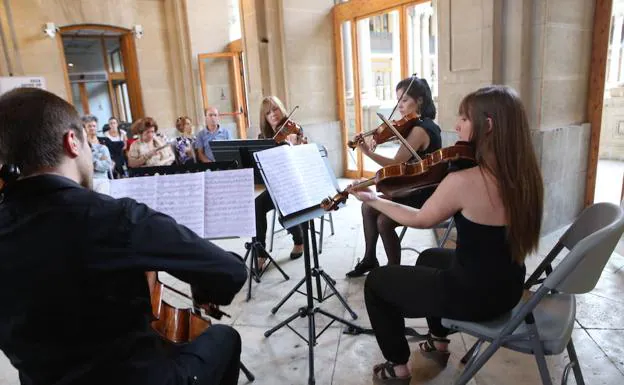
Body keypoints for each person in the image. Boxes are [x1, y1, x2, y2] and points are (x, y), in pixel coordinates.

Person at [0, 87, 248, 385]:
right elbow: (230, 272)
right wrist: (205, 283)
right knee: (224, 337)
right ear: (73, 142)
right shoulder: (115, 217)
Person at [347, 85, 543, 382]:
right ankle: (439, 342)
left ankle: (397, 367)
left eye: (464, 118)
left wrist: (376, 201)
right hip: (508, 287)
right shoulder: (525, 174)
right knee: (429, 256)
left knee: (376, 283)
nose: (456, 126)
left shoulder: (465, 180)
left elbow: (421, 219)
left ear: (487, 125)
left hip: (473, 296)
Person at [346, 77, 442, 277]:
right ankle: (369, 259)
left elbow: (395, 165)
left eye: (405, 100)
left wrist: (366, 151)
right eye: (398, 100)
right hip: (413, 186)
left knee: (384, 221)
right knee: (367, 206)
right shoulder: (416, 125)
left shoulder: (420, 129)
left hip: (423, 192)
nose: (399, 106)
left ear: (420, 101)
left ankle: (393, 272)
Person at [254, 96, 306, 267]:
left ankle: (299, 240)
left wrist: (296, 146)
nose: (273, 114)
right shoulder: (264, 137)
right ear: (265, 117)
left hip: (296, 185)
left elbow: (305, 158)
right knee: (257, 205)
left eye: (275, 109)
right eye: (268, 112)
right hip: (277, 185)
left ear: (281, 109)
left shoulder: (294, 129)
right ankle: (260, 253)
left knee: (282, 205)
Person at [82, 115, 114, 194]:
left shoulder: (104, 142)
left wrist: (93, 162)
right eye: (89, 126)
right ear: (84, 128)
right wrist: (99, 158)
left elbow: (107, 164)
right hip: (88, 180)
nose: (92, 128)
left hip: (103, 180)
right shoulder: (81, 144)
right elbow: (83, 164)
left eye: (94, 126)